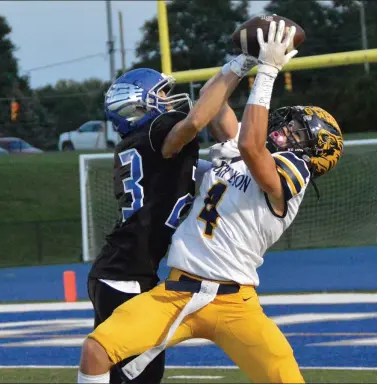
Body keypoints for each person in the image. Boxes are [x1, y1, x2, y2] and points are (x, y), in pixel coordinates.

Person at [77, 21, 343, 384]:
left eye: (298, 132)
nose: (285, 130)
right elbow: (213, 107)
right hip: (176, 290)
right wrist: (240, 61)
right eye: (290, 123)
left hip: (236, 303)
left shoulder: (293, 172)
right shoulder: (239, 155)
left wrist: (267, 72)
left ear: (313, 152)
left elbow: (251, 145)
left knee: (285, 378)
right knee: (96, 351)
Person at [86, 64, 250, 383]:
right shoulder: (156, 134)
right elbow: (195, 122)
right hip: (123, 277)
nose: (169, 100)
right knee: (140, 374)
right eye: (160, 94)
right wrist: (237, 66)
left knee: (125, 372)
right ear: (136, 104)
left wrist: (217, 89)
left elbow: (216, 152)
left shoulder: (145, 147)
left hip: (121, 273)